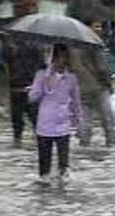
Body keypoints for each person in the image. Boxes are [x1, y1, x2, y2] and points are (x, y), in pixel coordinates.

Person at [28, 44, 83, 182]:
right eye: (59, 57)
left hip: (63, 124)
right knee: (44, 169)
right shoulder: (41, 75)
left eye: (65, 57)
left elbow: (76, 101)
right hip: (44, 124)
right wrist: (43, 81)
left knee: (64, 168)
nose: (62, 61)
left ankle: (62, 192)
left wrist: (77, 120)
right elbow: (33, 97)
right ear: (53, 58)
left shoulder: (71, 78)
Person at [4, 35, 45, 144]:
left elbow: (6, 63)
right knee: (35, 117)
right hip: (31, 86)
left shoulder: (10, 45)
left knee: (17, 118)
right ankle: (39, 142)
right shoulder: (36, 45)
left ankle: (17, 141)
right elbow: (42, 66)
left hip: (16, 86)